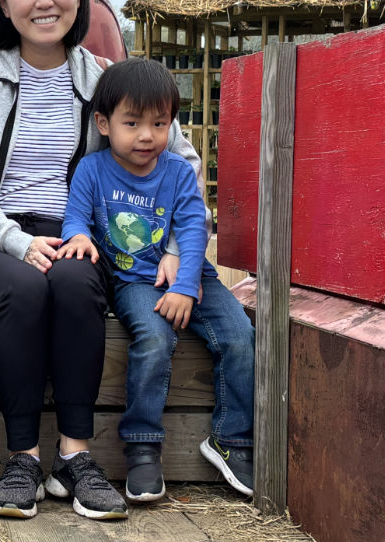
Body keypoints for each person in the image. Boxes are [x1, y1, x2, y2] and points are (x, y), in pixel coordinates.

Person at [0, 0, 207, 520]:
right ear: (3, 1)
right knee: (24, 285)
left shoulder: (107, 78)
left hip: (76, 231)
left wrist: (181, 250)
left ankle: (74, 457)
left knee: (80, 283)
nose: (44, 1)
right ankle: (22, 459)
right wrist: (16, 240)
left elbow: (181, 163)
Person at [60, 58, 255, 501]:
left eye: (159, 123)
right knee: (154, 339)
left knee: (241, 337)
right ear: (104, 123)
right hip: (133, 282)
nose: (147, 136)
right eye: (132, 123)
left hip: (193, 272)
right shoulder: (92, 170)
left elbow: (193, 228)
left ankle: (232, 438)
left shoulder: (178, 172)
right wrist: (76, 238)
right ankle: (142, 448)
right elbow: (76, 217)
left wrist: (186, 285)